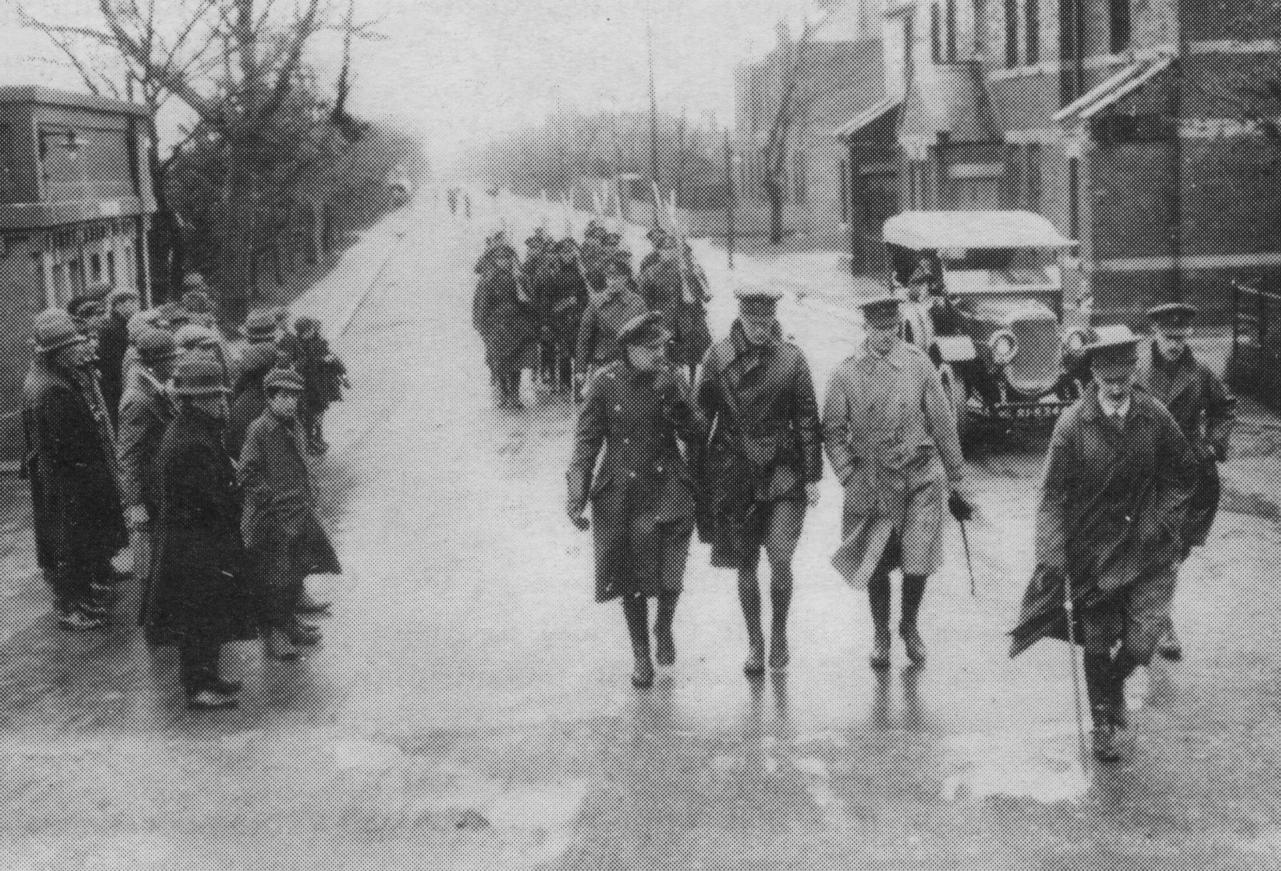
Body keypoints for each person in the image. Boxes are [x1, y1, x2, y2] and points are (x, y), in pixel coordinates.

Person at [1022, 334, 1197, 763]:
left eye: (1122, 379)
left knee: (1143, 641)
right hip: (1093, 552)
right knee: (1097, 638)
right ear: (1094, 376)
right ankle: (1101, 718)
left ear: (1133, 373)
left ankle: (1116, 683)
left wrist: (1164, 521)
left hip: (1149, 549)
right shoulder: (1071, 425)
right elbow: (1053, 495)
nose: (1116, 389)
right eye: (1106, 380)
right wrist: (1053, 554)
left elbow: (1182, 474)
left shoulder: (1153, 416)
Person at [821, 295, 970, 669]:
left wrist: (956, 480)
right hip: (872, 482)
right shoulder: (846, 374)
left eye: (891, 328)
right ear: (865, 328)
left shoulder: (919, 366)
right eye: (878, 329)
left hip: (920, 477)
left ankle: (910, 624)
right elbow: (834, 431)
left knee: (918, 560)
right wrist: (848, 473)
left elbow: (943, 425)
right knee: (878, 561)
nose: (885, 336)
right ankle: (881, 633)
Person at [567, 311, 704, 687]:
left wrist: (675, 398)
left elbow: (696, 432)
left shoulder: (671, 379)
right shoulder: (605, 383)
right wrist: (576, 489)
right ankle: (641, 654)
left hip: (667, 484)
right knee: (631, 579)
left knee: (671, 572)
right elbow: (586, 440)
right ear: (629, 349)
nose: (660, 354)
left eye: (662, 347)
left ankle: (664, 624)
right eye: (650, 349)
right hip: (623, 490)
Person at [695, 286, 823, 674]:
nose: (760, 329)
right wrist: (698, 476)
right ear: (740, 317)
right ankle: (755, 641)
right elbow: (702, 422)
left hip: (783, 473)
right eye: (753, 322)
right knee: (746, 561)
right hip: (734, 472)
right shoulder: (717, 357)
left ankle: (780, 633)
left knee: (781, 559)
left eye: (766, 322)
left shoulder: (791, 359)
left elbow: (806, 419)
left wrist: (813, 475)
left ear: (774, 320)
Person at [145, 355, 258, 709]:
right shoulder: (191, 441)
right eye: (214, 396)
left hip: (197, 542)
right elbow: (206, 499)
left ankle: (208, 676)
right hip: (195, 547)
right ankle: (197, 686)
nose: (222, 402)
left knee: (209, 614)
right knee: (197, 617)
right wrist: (234, 489)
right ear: (194, 399)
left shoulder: (193, 431)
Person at [1135, 303, 1236, 661]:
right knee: (1150, 548)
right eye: (1168, 337)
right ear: (1155, 334)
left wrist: (1211, 444)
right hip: (1144, 475)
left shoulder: (1201, 372)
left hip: (1190, 477)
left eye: (1180, 338)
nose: (1175, 345)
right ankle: (1155, 618)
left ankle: (1158, 616)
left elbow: (1225, 408)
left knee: (1176, 551)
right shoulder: (1136, 370)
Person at [22, 310, 128, 630]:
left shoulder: (48, 378)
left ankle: (79, 598)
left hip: (63, 477)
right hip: (68, 479)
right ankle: (69, 606)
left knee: (75, 541)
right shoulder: (52, 389)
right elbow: (63, 445)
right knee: (70, 543)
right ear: (56, 353)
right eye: (70, 347)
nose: (78, 351)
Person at [239, 367, 342, 660]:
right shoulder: (259, 429)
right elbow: (248, 472)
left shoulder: (293, 424)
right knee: (276, 578)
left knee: (296, 570)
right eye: (282, 396)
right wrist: (269, 500)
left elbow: (303, 463)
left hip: (298, 511)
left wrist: (311, 491)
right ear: (269, 398)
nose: (289, 402)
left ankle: (291, 623)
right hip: (272, 518)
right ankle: (276, 632)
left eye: (294, 397)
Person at [116, 327, 178, 619]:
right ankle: (153, 618)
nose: (175, 365)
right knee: (151, 557)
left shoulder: (151, 386)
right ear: (156, 362)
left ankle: (159, 613)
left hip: (160, 485)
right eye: (171, 360)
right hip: (151, 492)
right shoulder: (137, 399)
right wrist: (136, 503)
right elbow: (128, 456)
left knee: (161, 555)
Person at [473, 243, 537, 410]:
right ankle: (503, 392)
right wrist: (482, 326)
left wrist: (520, 284)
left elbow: (530, 302)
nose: (504, 262)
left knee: (517, 362)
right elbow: (480, 305)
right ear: (495, 260)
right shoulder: (487, 279)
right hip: (497, 327)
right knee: (499, 361)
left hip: (518, 326)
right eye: (500, 259)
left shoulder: (519, 277)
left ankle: (515, 395)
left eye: (507, 258)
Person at [639, 234, 712, 382]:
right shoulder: (650, 273)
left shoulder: (690, 270)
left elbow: (705, 296)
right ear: (658, 251)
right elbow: (644, 300)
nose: (668, 252)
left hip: (688, 320)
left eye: (671, 248)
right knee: (665, 357)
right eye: (664, 249)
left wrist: (692, 277)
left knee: (692, 355)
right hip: (663, 320)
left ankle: (690, 385)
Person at [534, 238, 591, 395]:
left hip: (577, 319)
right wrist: (547, 321)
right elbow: (546, 300)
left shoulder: (579, 275)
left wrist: (579, 308)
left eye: (570, 253)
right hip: (559, 320)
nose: (567, 256)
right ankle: (565, 385)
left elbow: (585, 298)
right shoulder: (553, 275)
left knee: (579, 353)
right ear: (559, 254)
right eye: (564, 253)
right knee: (563, 354)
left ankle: (578, 387)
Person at [575, 258, 648, 380]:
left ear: (625, 279)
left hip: (630, 364)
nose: (612, 283)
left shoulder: (638, 303)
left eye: (616, 278)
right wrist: (580, 369)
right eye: (609, 278)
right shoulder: (596, 303)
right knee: (600, 397)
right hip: (603, 362)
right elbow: (584, 338)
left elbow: (646, 337)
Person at [227, 342, 281, 459]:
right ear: (269, 370)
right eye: (275, 366)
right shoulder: (271, 403)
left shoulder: (239, 400)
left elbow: (231, 446)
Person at [97, 288, 140, 429]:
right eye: (130, 302)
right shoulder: (113, 329)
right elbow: (114, 364)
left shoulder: (123, 325)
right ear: (118, 305)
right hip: (116, 387)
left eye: (135, 302)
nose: (135, 306)